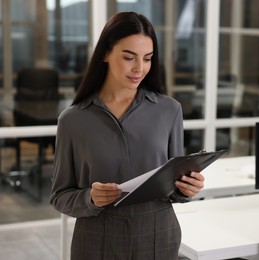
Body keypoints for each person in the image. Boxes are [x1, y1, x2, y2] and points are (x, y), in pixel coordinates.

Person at [50, 11, 205, 260]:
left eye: (148, 58)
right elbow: (60, 197)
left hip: (158, 234)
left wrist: (186, 188)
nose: (139, 68)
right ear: (105, 54)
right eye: (128, 57)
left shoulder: (169, 110)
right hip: (96, 237)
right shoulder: (72, 120)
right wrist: (90, 197)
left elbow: (173, 183)